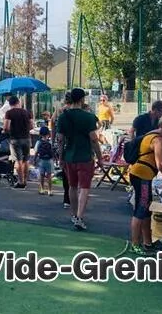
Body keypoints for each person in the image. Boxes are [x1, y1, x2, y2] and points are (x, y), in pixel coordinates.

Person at [128, 113, 162, 255]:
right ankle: (135, 244)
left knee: (146, 209)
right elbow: (161, 165)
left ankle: (147, 242)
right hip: (143, 176)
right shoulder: (158, 140)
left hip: (139, 173)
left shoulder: (153, 134)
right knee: (141, 210)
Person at [56, 88, 103, 231]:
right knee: (84, 187)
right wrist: (100, 157)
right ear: (82, 99)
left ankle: (74, 214)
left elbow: (60, 140)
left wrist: (61, 156)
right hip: (85, 156)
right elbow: (94, 139)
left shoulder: (63, 116)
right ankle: (80, 216)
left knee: (72, 186)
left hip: (69, 156)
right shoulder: (88, 117)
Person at [4, 96, 33, 189]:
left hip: (15, 139)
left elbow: (6, 127)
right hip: (27, 138)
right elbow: (32, 126)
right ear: (18, 102)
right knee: (26, 160)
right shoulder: (27, 112)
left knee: (18, 161)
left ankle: (20, 182)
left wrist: (8, 132)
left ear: (10, 104)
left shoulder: (9, 113)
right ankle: (25, 180)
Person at [52, 92, 73, 209]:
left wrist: (52, 140)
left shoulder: (60, 111)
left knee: (66, 173)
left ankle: (67, 198)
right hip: (78, 145)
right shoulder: (82, 111)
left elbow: (52, 123)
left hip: (64, 145)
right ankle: (76, 197)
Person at [34, 126, 54, 196]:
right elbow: (53, 152)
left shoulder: (38, 142)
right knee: (49, 176)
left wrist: (34, 160)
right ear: (48, 133)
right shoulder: (50, 142)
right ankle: (50, 190)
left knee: (41, 175)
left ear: (40, 134)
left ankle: (42, 189)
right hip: (49, 160)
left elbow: (36, 152)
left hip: (41, 160)